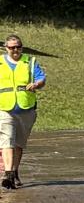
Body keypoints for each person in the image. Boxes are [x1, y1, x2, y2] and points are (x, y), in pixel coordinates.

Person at [1, 33, 45, 190]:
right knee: (7, 140)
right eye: (12, 47)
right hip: (4, 108)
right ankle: (7, 174)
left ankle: (14, 171)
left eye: (18, 47)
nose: (16, 50)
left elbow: (41, 78)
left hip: (26, 108)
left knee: (19, 143)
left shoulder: (30, 61)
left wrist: (36, 84)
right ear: (6, 48)